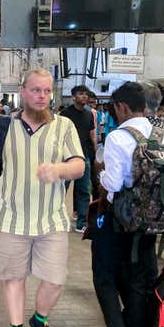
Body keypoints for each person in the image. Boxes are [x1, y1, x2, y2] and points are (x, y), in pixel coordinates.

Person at [0, 69, 85, 327]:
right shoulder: (3, 127)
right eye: (36, 90)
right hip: (11, 218)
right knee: (14, 278)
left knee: (55, 279)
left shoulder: (64, 126)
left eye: (47, 91)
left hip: (51, 219)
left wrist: (59, 169)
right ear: (22, 91)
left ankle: (40, 319)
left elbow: (78, 165)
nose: (41, 96)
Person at [94, 81, 164, 327]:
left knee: (104, 278)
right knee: (140, 281)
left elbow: (114, 185)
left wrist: (102, 171)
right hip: (154, 222)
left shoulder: (119, 137)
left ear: (121, 107)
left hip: (122, 221)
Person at [60, 85, 97, 232]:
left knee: (84, 191)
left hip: (84, 157)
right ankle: (56, 217)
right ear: (73, 97)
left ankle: (82, 222)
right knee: (61, 189)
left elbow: (92, 136)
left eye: (86, 94)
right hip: (67, 158)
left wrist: (94, 156)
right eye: (81, 94)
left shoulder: (89, 115)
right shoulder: (65, 114)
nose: (85, 97)